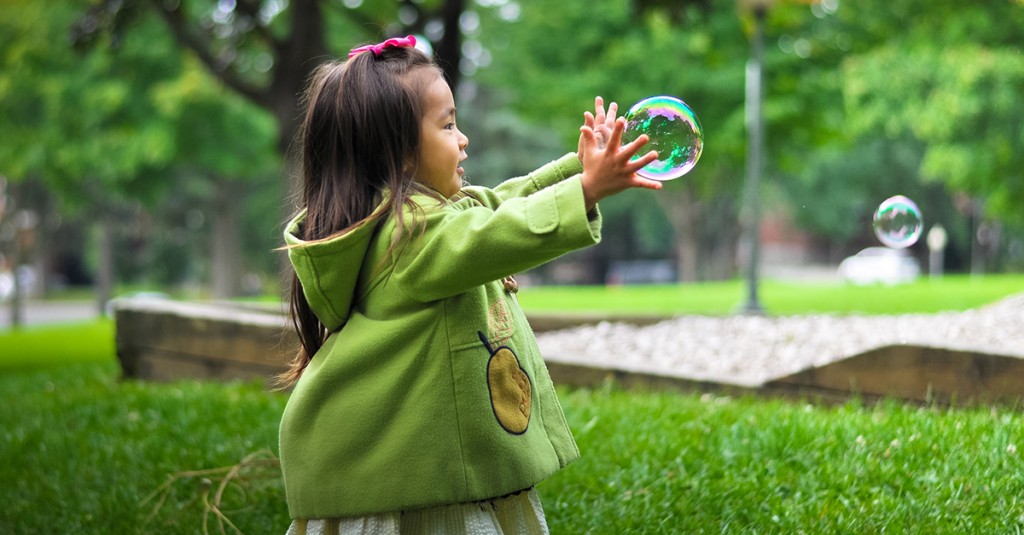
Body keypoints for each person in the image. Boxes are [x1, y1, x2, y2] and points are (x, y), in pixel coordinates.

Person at [278, 35, 661, 535]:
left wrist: (577, 169)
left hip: (426, 470)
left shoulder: (421, 219)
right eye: (448, 124)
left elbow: (500, 203)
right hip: (418, 488)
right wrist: (586, 189)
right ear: (401, 154)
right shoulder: (410, 237)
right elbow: (498, 232)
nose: (463, 140)